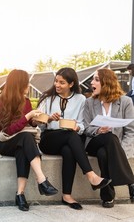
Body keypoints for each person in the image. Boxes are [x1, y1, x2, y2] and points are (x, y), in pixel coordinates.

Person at [36, 67, 112, 210]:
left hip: (71, 138)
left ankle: (67, 195)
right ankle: (91, 176)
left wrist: (78, 128)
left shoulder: (80, 99)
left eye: (62, 82)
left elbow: (82, 123)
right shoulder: (48, 98)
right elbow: (38, 122)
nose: (57, 85)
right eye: (56, 81)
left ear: (71, 84)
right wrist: (49, 119)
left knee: (68, 149)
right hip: (49, 139)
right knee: (71, 136)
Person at [0, 69, 58, 212]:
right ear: (19, 85)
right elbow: (8, 130)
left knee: (23, 149)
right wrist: (28, 116)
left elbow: (27, 125)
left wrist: (37, 120)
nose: (28, 86)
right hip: (5, 143)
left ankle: (20, 194)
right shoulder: (1, 103)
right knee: (26, 138)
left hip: (21, 141)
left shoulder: (26, 101)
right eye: (26, 83)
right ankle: (42, 180)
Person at [83, 68, 134, 208]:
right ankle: (131, 181)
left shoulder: (126, 102)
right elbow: (86, 128)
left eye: (96, 80)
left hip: (113, 146)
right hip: (94, 142)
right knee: (109, 137)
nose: (92, 82)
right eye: (93, 79)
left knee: (104, 153)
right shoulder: (89, 102)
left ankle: (107, 197)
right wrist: (99, 130)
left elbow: (131, 131)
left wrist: (120, 152)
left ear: (107, 82)